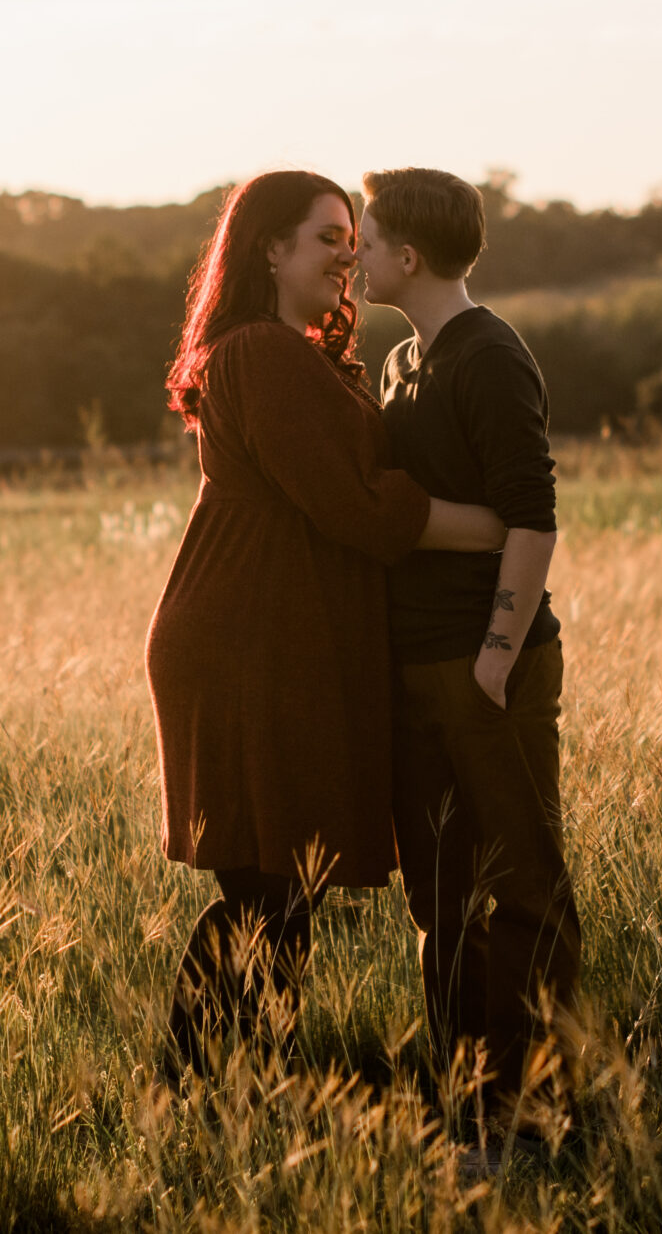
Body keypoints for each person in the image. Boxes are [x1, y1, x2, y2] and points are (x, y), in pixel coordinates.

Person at [145, 169, 510, 1068]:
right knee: (270, 884)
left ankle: (239, 1079)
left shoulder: (290, 351)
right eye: (327, 237)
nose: (349, 256)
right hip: (249, 637)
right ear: (270, 247)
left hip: (278, 630)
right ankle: (207, 1083)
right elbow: (354, 503)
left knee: (279, 886)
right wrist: (498, 527)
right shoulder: (262, 353)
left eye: (355, 238)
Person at [358, 166, 583, 1145]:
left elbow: (532, 518)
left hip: (488, 666)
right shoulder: (403, 360)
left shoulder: (490, 355)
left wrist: (495, 655)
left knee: (523, 889)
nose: (354, 256)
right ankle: (465, 1104)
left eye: (362, 240)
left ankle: (528, 1115)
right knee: (438, 898)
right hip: (417, 669)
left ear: (406, 256)